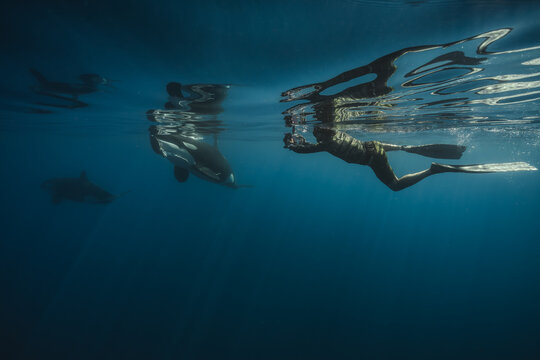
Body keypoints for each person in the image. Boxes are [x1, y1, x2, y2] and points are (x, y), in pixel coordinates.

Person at [284, 127, 537, 191]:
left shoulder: (325, 145)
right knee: (392, 148)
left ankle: (433, 170)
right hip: (372, 146)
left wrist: (291, 144)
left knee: (394, 185)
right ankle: (409, 147)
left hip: (371, 157)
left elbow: (303, 149)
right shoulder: (336, 134)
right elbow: (307, 145)